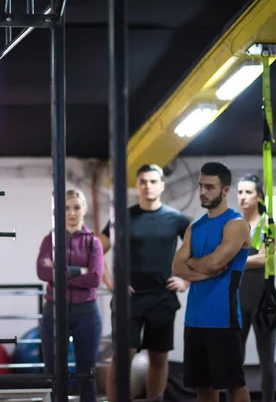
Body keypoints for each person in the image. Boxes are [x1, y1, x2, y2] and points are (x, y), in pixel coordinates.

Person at [98, 164, 191, 402]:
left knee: (158, 358)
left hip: (162, 298)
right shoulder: (122, 217)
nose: (148, 186)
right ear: (137, 186)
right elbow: (95, 251)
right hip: (129, 299)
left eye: (152, 181)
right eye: (143, 182)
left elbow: (199, 251)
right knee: (122, 358)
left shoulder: (177, 219)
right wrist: (111, 282)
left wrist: (185, 280)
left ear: (161, 184)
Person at [172, 162, 251, 402]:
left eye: (209, 187)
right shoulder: (195, 227)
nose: (202, 192)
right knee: (203, 387)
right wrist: (203, 269)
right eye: (200, 186)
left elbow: (216, 263)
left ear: (225, 190)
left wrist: (193, 264)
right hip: (194, 319)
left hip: (223, 319)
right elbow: (176, 267)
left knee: (234, 384)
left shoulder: (236, 224)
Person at [36, 189, 104, 402]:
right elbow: (43, 272)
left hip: (87, 313)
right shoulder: (50, 240)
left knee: (87, 375)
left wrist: (60, 272)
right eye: (66, 208)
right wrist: (78, 270)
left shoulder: (94, 242)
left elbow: (95, 278)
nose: (72, 212)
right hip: (54, 311)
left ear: (84, 209)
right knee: (54, 374)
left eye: (76, 207)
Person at [237, 174, 276, 402]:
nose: (243, 197)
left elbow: (265, 260)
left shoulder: (267, 224)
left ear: (258, 196)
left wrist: (235, 260)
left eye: (248, 192)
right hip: (239, 297)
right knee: (236, 358)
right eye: (240, 192)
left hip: (263, 298)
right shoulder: (233, 225)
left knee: (266, 359)